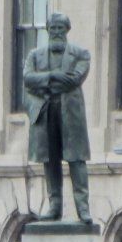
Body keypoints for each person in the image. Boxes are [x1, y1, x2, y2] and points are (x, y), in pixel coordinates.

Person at [22, 12, 92, 222]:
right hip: (45, 113)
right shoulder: (35, 55)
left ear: (67, 30)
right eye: (53, 28)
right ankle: (55, 206)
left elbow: (75, 79)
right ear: (48, 30)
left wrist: (43, 81)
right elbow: (27, 78)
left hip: (70, 113)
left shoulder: (81, 54)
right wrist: (52, 76)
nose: (57, 32)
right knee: (50, 161)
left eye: (61, 28)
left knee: (76, 160)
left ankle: (83, 208)